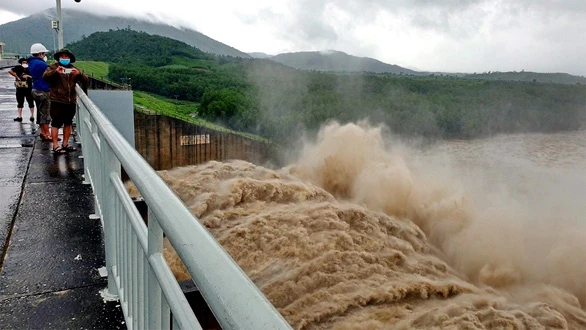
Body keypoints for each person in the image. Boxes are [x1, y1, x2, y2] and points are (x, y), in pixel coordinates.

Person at [43, 48, 88, 154]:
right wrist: (55, 72)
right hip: (57, 100)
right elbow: (45, 77)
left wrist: (79, 74)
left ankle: (65, 143)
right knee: (56, 123)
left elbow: (86, 81)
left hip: (70, 101)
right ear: (59, 58)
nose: (64, 58)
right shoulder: (53, 67)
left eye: (66, 57)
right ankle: (55, 145)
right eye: (62, 56)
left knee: (68, 123)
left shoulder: (73, 69)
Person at [27, 43, 53, 141]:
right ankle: (47, 134)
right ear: (40, 53)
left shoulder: (32, 63)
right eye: (43, 53)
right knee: (45, 113)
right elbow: (51, 73)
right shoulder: (41, 64)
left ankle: (43, 132)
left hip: (35, 89)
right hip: (43, 90)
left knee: (40, 111)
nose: (44, 55)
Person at [8, 58, 35, 122]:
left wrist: (28, 76)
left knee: (30, 101)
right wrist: (17, 77)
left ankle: (32, 115)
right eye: (23, 62)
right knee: (20, 102)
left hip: (28, 87)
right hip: (20, 87)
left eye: (26, 62)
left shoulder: (30, 68)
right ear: (21, 63)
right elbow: (10, 71)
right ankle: (20, 116)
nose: (25, 63)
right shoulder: (18, 68)